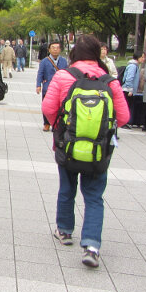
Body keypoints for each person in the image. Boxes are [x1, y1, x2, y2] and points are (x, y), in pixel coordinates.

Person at [42, 34, 129, 268]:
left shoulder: (63, 76)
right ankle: (91, 245)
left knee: (66, 189)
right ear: (97, 53)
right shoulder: (109, 81)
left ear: (73, 54)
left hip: (67, 146)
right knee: (94, 196)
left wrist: (61, 127)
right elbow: (124, 117)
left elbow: (48, 108)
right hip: (98, 151)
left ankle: (65, 231)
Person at [36, 40, 68, 131]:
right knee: (47, 106)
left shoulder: (64, 61)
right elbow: (40, 73)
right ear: (49, 50)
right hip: (48, 87)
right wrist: (38, 85)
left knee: (59, 106)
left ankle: (55, 123)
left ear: (60, 50)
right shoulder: (44, 61)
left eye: (57, 48)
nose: (55, 50)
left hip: (61, 87)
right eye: (53, 48)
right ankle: (46, 123)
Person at [121, 51, 145, 129]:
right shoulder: (133, 66)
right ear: (138, 57)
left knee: (128, 106)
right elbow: (129, 78)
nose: (143, 59)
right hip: (127, 90)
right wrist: (130, 89)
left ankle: (125, 122)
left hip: (129, 89)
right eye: (142, 57)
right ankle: (124, 122)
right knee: (127, 106)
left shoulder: (135, 66)